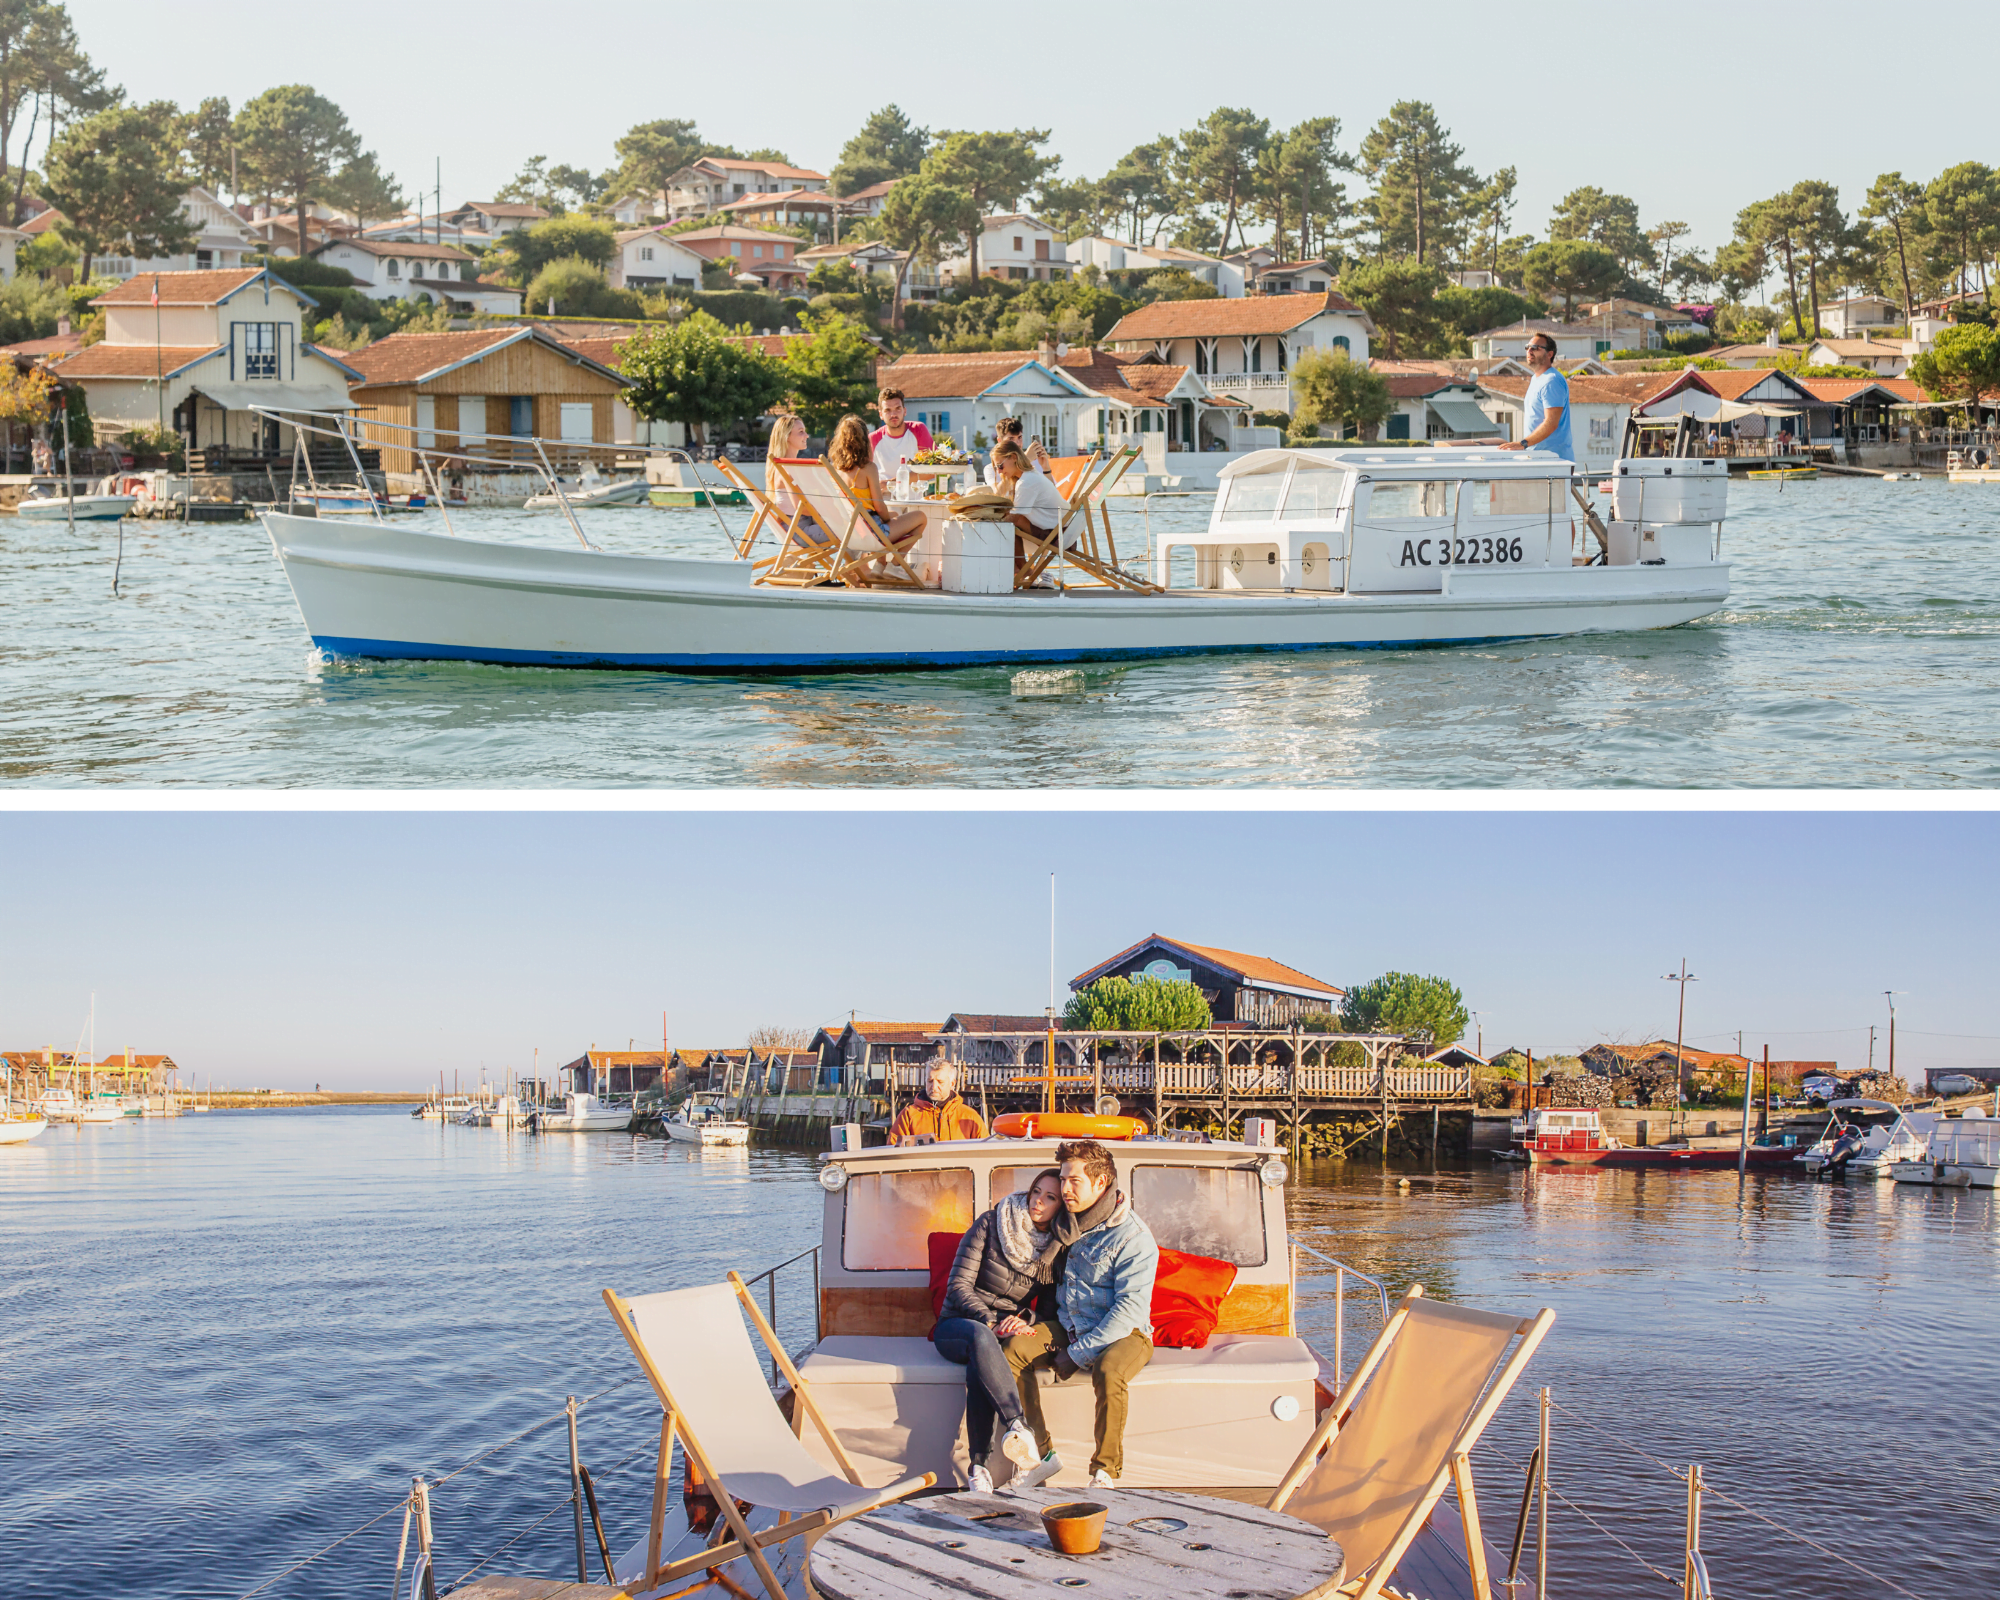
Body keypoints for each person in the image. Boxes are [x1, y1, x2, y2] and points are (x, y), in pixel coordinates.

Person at [1005, 1138, 1158, 1491]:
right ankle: (1040, 1458)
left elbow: (1129, 1310)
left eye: (1074, 1181)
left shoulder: (1133, 1236)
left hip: (1125, 1333)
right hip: (1070, 1323)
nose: (1064, 1188)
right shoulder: (1066, 1226)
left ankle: (1104, 1473)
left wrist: (1075, 1354)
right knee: (1014, 1350)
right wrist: (1027, 1319)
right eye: (1063, 1179)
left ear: (1101, 1183)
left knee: (1108, 1370)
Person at [934, 1170, 1063, 1492]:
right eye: (1036, 1191)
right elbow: (957, 1286)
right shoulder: (992, 1222)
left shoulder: (1054, 1249)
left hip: (1001, 1328)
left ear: (1060, 1207)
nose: (1038, 1201)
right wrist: (990, 1320)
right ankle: (1018, 1426)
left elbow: (1046, 1309)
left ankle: (979, 1469)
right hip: (958, 1324)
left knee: (987, 1355)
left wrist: (1023, 1320)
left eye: (1050, 1197)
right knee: (982, 1338)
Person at [827, 414, 927, 564]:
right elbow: (879, 506)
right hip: (872, 533)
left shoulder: (835, 470)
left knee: (887, 518)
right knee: (920, 517)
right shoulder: (868, 468)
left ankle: (879, 569)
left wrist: (887, 517)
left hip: (849, 532)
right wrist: (887, 518)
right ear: (864, 441)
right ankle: (895, 566)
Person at [990, 440, 1067, 584]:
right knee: (1008, 521)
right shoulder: (1029, 475)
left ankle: (1020, 572)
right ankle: (1022, 571)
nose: (999, 471)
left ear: (1014, 457)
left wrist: (987, 522)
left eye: (1000, 466)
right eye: (996, 468)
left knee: (1005, 525)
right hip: (1061, 528)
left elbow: (1013, 518)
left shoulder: (1027, 482)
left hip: (1056, 535)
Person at [1500, 334, 1572, 461]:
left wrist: (1523, 443)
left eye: (1535, 347)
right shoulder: (1536, 379)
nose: (1529, 351)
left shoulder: (1552, 381)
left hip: (1554, 461)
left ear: (1550, 354)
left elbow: (1551, 423)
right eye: (1527, 347)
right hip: (1538, 458)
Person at [888, 1058, 987, 1144]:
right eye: (930, 1081)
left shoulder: (970, 1117)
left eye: (940, 1082)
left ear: (952, 1083)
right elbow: (893, 1152)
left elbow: (984, 1153)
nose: (934, 1087)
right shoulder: (908, 1115)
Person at [869, 387, 932, 483]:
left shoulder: (918, 429)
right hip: (883, 497)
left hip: (913, 497)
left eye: (898, 409)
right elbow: (863, 473)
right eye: (888, 410)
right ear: (881, 414)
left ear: (904, 411)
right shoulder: (873, 438)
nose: (893, 414)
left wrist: (891, 483)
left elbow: (931, 471)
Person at [983, 416, 1049, 487]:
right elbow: (998, 494)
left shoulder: (1036, 462)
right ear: (1000, 441)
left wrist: (1046, 468)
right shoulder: (992, 469)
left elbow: (1051, 492)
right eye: (1011, 439)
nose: (1017, 443)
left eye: (1019, 437)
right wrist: (1025, 461)